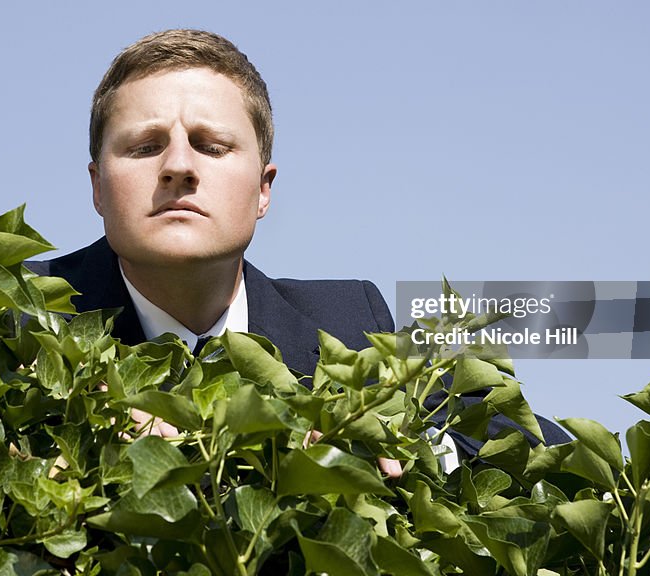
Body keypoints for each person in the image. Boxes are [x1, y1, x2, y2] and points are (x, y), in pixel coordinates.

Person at [30, 28, 567, 460]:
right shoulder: (13, 315)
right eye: (146, 147)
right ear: (98, 186)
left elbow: (529, 445)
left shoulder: (352, 319)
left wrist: (401, 441)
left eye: (211, 146)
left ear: (263, 190)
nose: (177, 167)